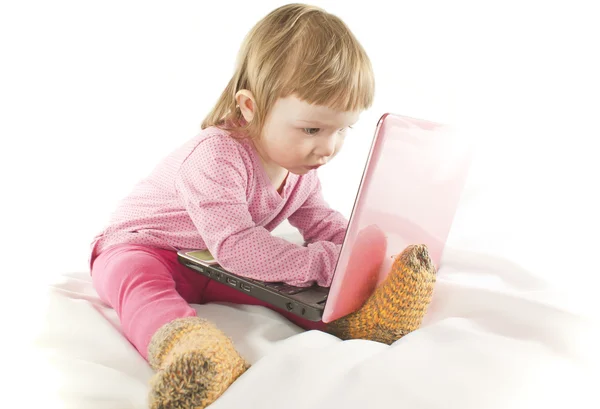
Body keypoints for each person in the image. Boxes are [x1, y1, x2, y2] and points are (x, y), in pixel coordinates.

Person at [89, 4, 436, 409]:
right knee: (137, 282)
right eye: (312, 129)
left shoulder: (300, 169)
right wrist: (324, 262)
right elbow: (238, 247)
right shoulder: (217, 156)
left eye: (342, 129)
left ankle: (359, 322)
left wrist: (360, 254)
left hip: (210, 261)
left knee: (283, 289)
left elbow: (322, 222)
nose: (328, 147)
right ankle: (192, 350)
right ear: (250, 107)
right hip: (146, 245)